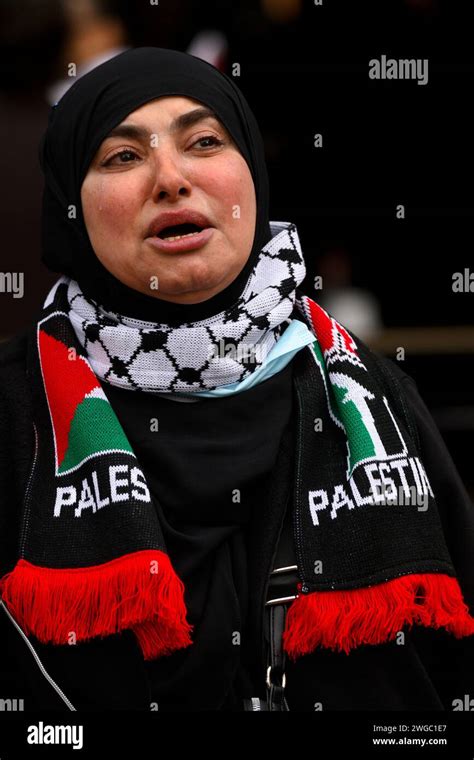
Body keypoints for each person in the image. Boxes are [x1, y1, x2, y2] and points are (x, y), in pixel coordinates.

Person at [0, 47, 473, 713]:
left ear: (251, 171)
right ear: (68, 209)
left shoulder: (371, 394)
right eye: (123, 157)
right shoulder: (16, 409)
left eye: (204, 141)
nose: (170, 178)